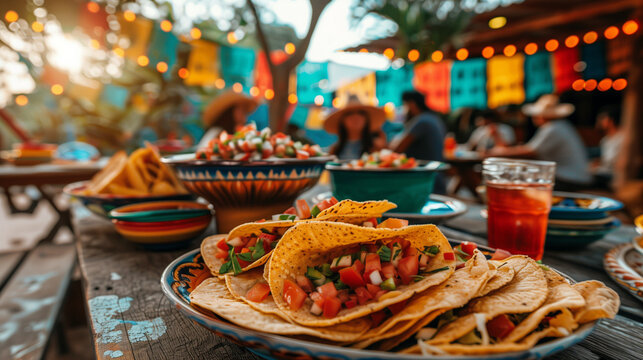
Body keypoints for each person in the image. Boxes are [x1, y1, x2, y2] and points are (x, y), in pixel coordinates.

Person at [487, 94, 592, 188]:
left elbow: (530, 152)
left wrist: (499, 152)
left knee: (514, 178)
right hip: (574, 177)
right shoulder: (559, 126)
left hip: (570, 179)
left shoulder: (553, 128)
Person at [390, 90, 447, 193]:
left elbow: (397, 149)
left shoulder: (422, 121)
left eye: (405, 105)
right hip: (436, 176)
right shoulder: (434, 118)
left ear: (411, 104)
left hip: (423, 180)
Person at [324, 95, 386, 160]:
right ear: (342, 120)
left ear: (366, 119)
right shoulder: (334, 150)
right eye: (350, 113)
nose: (356, 117)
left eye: (360, 113)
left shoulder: (377, 147)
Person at [596, 105, 624, 172]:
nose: (599, 121)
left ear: (611, 120)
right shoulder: (604, 140)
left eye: (603, 118)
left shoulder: (623, 138)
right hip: (606, 172)